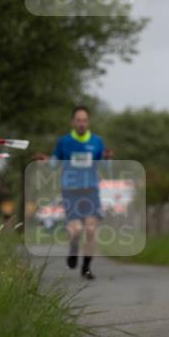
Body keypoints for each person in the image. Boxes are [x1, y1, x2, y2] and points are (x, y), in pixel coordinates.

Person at [34, 106, 108, 279]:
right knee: (75, 231)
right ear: (73, 122)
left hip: (90, 190)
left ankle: (86, 267)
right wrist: (45, 161)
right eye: (78, 120)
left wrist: (108, 159)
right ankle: (74, 248)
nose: (81, 123)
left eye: (84, 120)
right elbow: (54, 162)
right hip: (70, 191)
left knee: (90, 230)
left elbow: (103, 166)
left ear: (88, 122)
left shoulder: (97, 142)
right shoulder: (64, 142)